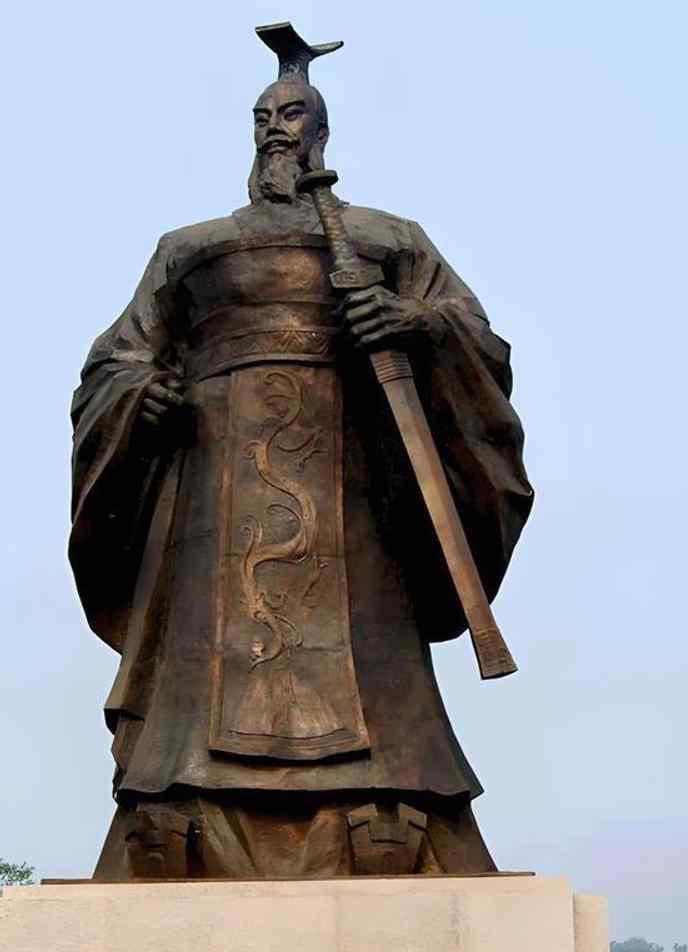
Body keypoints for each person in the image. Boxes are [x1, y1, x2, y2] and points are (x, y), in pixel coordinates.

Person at [69, 37, 533, 881]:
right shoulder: (188, 248)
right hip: (215, 478)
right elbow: (118, 359)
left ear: (320, 131)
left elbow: (476, 338)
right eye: (262, 117)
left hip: (356, 475)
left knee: (363, 628)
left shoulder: (390, 239)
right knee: (208, 639)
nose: (274, 130)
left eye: (290, 115)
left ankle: (391, 801)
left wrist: (414, 323)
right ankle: (176, 806)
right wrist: (144, 396)